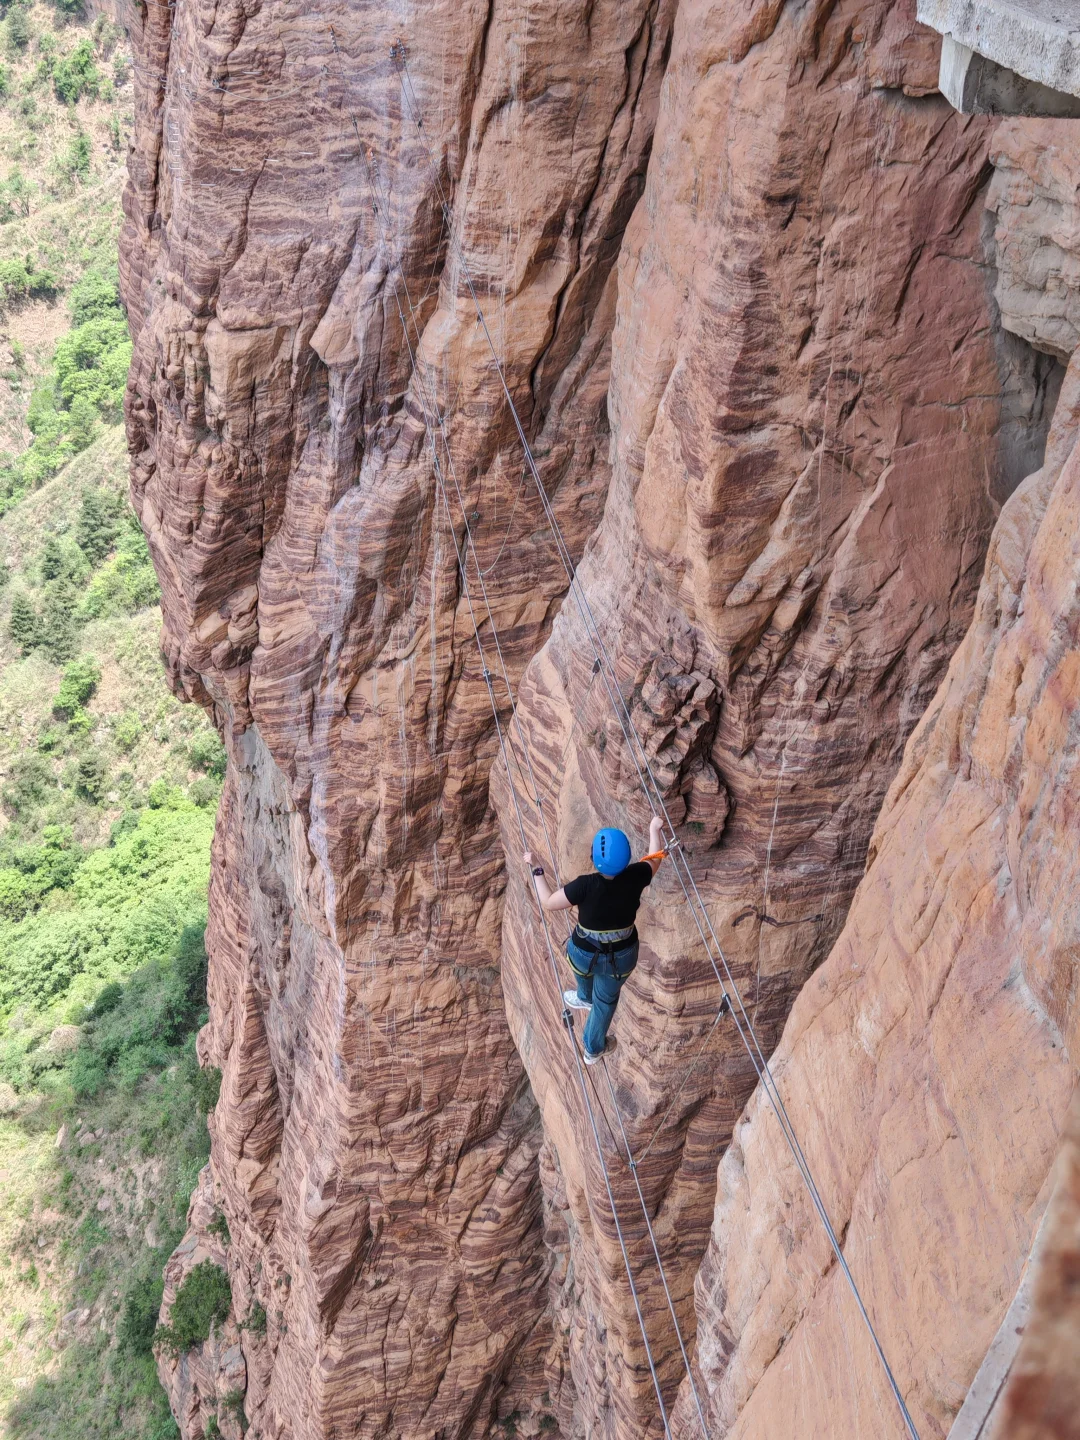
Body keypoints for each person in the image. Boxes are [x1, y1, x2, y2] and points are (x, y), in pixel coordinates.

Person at [524, 816, 666, 1064]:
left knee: (579, 960)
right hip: (621, 958)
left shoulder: (584, 886)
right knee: (606, 1001)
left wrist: (536, 867)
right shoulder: (635, 875)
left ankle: (584, 996)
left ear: (594, 859)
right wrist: (654, 829)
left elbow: (547, 902)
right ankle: (592, 1048)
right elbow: (655, 859)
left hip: (584, 954)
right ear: (626, 859)